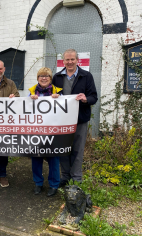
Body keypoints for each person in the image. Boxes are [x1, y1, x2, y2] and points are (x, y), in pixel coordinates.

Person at [52, 49, 98, 186]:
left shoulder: (86, 76)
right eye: (67, 59)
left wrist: (85, 99)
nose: (70, 62)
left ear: (77, 60)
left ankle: (76, 178)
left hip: (80, 119)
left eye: (72, 59)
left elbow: (93, 97)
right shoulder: (57, 77)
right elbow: (49, 96)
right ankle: (65, 176)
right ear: (63, 61)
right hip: (62, 121)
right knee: (64, 149)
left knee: (78, 149)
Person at [28, 67, 62, 196]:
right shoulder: (30, 93)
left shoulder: (58, 92)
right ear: (37, 78)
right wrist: (29, 100)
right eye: (41, 76)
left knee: (53, 158)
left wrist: (59, 99)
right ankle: (38, 183)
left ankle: (53, 185)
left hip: (52, 131)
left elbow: (65, 109)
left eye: (47, 76)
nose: (44, 78)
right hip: (36, 131)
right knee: (36, 157)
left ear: (50, 78)